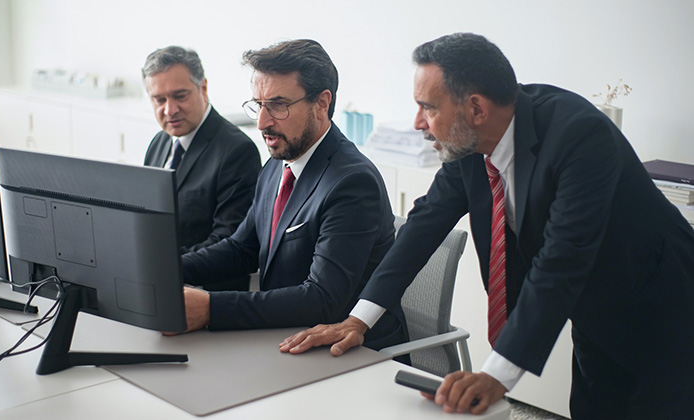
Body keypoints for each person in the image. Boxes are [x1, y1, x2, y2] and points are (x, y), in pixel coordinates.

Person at [279, 33, 694, 419]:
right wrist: (359, 319)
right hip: (591, 307)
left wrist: (496, 374)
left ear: (476, 108)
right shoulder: (469, 145)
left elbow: (561, 258)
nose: (418, 123)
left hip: (664, 308)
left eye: (428, 107)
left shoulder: (579, 135)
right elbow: (423, 226)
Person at [167, 39, 407, 353]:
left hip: (352, 356)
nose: (262, 122)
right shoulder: (278, 163)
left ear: (321, 103)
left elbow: (322, 298)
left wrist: (211, 308)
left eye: (278, 105)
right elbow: (242, 249)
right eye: (258, 104)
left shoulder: (352, 182)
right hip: (284, 339)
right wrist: (169, 269)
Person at [142, 46, 261, 291]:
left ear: (203, 88)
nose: (169, 110)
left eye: (180, 96)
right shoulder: (159, 142)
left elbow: (227, 242)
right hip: (158, 285)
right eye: (159, 100)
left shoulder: (236, 151)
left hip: (207, 293)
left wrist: (160, 267)